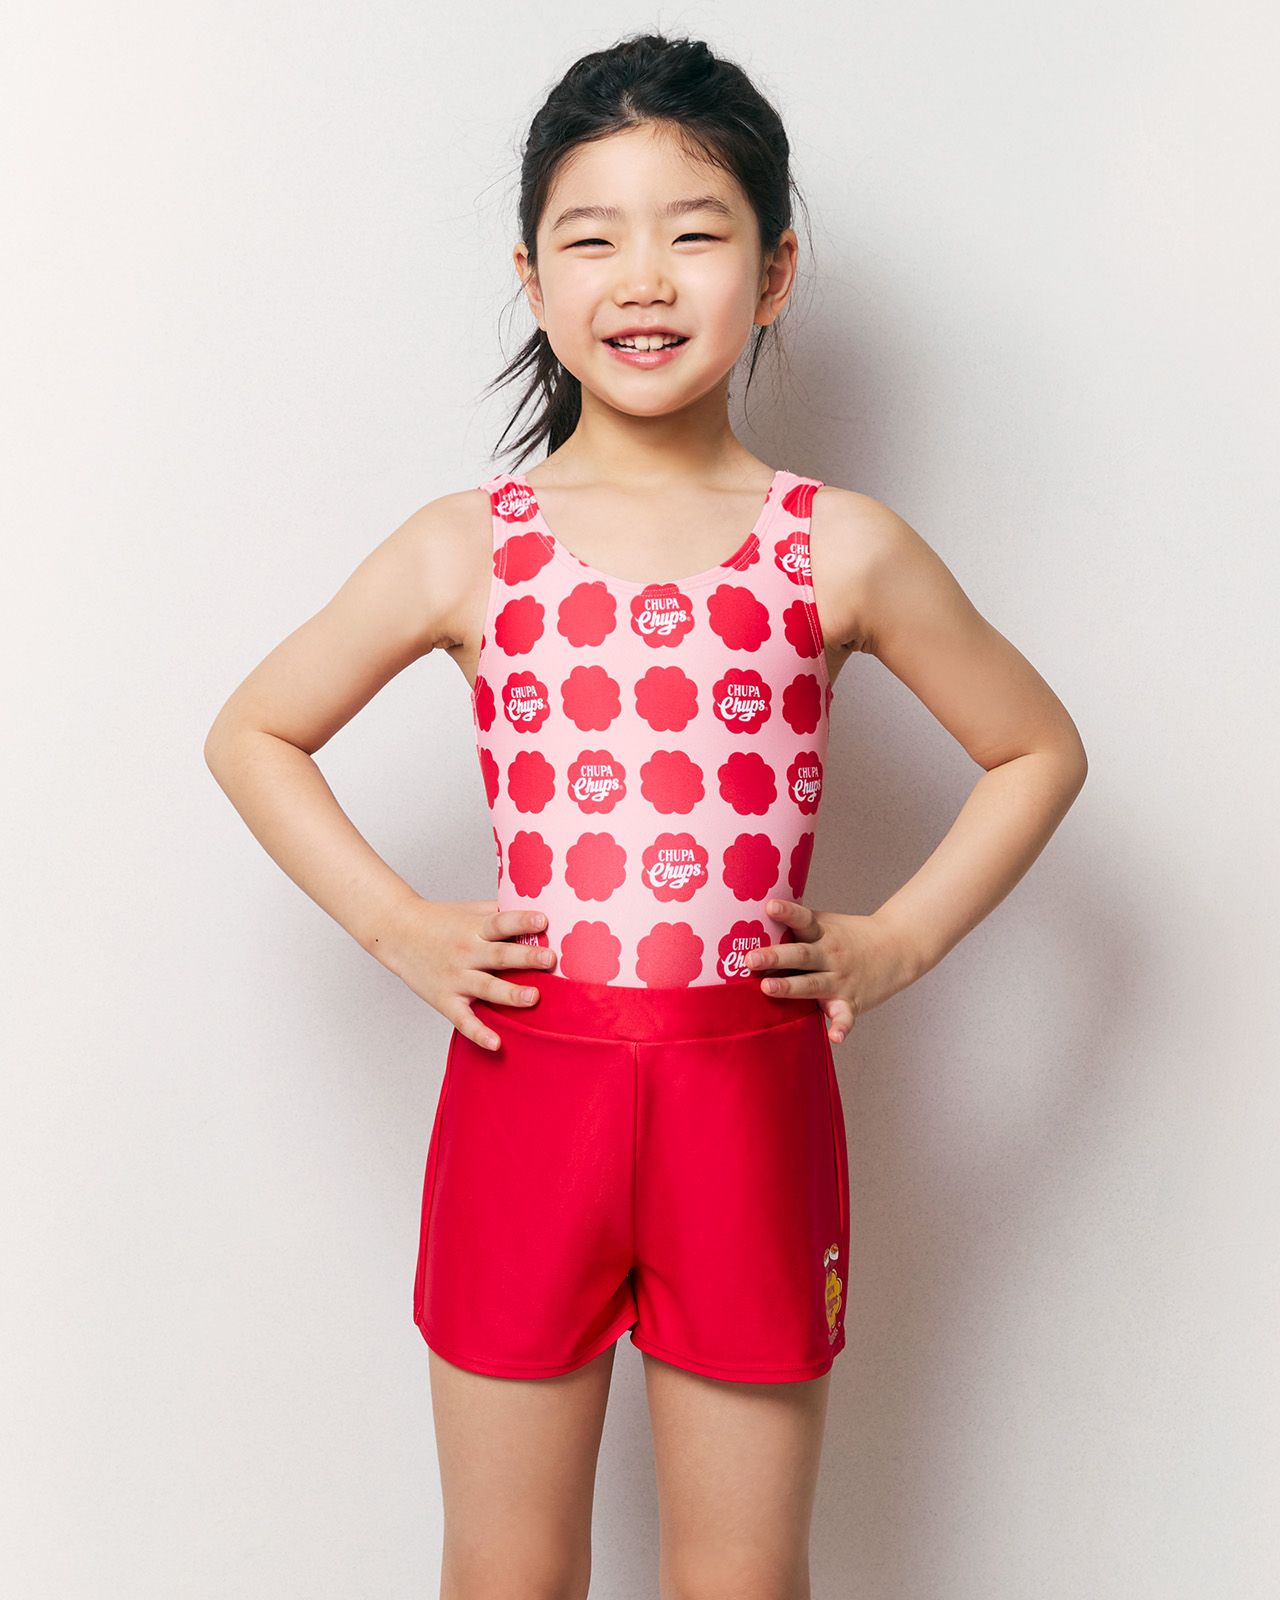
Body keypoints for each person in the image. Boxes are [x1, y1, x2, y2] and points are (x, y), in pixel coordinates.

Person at [204, 30, 1087, 1600]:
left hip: (746, 1107)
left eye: (695, 232)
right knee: (506, 1571)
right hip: (522, 1091)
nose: (644, 279)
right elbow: (255, 731)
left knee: (741, 1575)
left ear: (776, 269)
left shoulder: (839, 545)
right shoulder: (472, 545)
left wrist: (898, 942)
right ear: (533, 278)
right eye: (592, 238)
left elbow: (1036, 749)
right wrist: (398, 925)